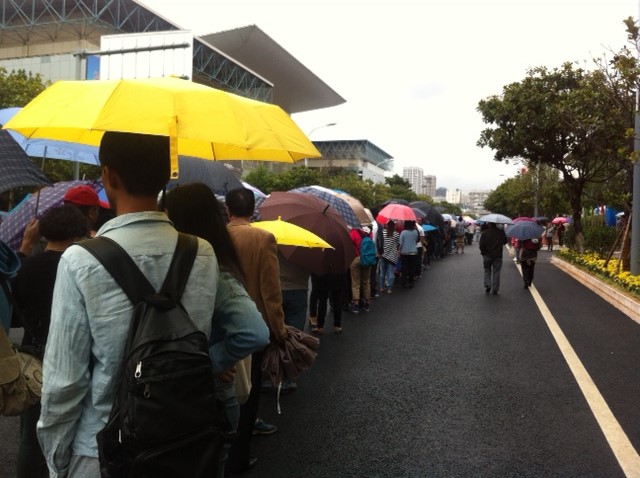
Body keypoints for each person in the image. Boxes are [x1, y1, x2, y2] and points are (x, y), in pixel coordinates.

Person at [37, 132, 219, 478]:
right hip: (185, 441)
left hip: (103, 451)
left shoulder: (80, 261)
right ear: (166, 175)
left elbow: (64, 384)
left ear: (109, 175)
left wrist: (57, 462)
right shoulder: (202, 252)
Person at [163, 183, 270, 478]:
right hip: (215, 392)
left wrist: (205, 361)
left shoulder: (180, 265)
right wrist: (212, 361)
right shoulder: (220, 260)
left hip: (176, 392)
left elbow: (253, 331)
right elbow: (256, 329)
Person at [11, 205, 87, 478]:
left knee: (30, 438)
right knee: (75, 431)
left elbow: (12, 317)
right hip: (72, 356)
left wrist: (24, 246)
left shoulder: (26, 267)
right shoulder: (82, 268)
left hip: (34, 358)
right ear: (76, 234)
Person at [225, 187, 287, 476]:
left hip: (223, 323)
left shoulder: (216, 237)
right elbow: (271, 290)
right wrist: (278, 328)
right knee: (249, 394)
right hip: (255, 324)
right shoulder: (263, 238)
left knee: (226, 388)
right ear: (253, 210)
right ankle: (240, 454)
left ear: (228, 210)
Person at [348, 225, 372, 313]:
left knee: (355, 283)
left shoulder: (353, 232)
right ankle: (367, 303)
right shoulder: (368, 232)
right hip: (367, 258)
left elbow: (349, 244)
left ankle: (356, 304)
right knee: (366, 282)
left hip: (357, 258)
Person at [479, 222, 508, 294]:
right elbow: (505, 242)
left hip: (487, 255)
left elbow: (481, 245)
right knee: (496, 272)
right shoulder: (501, 232)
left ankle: (488, 285)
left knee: (487, 270)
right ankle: (495, 288)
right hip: (498, 255)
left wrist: (483, 252)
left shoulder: (485, 233)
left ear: (489, 224)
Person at [378, 219, 399, 293]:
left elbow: (380, 242)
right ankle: (389, 289)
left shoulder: (383, 233)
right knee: (391, 273)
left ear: (386, 225)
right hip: (392, 256)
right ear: (394, 226)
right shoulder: (396, 234)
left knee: (382, 272)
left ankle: (381, 287)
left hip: (383, 255)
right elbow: (398, 244)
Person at [399, 220, 419, 287]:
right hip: (413, 252)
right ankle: (411, 282)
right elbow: (416, 240)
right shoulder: (415, 232)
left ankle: (403, 282)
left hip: (404, 252)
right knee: (412, 267)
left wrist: (399, 250)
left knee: (404, 268)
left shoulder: (403, 232)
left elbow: (401, 243)